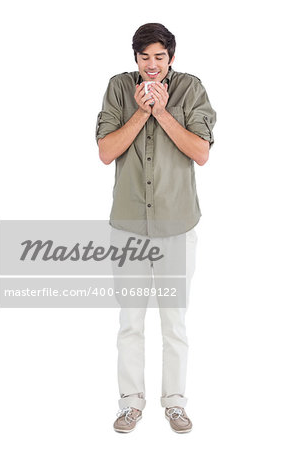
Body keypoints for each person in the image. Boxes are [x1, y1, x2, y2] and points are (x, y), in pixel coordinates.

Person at [95, 23, 216, 433]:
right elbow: (106, 151)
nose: (152, 65)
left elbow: (201, 152)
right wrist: (140, 112)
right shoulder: (118, 88)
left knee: (173, 322)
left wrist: (162, 111)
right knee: (130, 321)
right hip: (128, 227)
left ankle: (175, 403)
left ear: (171, 58)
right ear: (135, 59)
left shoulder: (191, 89)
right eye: (144, 57)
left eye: (159, 57)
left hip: (176, 224)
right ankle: (131, 403)